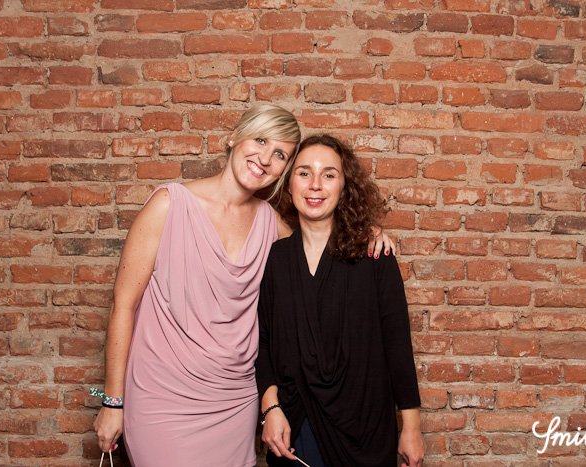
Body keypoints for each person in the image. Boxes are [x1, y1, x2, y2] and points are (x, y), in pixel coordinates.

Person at [92, 104, 393, 466]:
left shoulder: (270, 223)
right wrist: (113, 402)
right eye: (260, 140)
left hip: (236, 401)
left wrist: (366, 232)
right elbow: (123, 305)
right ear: (234, 137)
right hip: (163, 398)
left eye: (280, 154)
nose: (265, 159)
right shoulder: (169, 206)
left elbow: (320, 240)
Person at [256, 134, 425, 467]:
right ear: (289, 183)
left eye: (329, 174)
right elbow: (261, 342)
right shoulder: (275, 259)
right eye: (304, 173)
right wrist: (270, 408)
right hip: (294, 427)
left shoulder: (374, 255)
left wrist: (411, 427)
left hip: (365, 429)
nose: (315, 185)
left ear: (345, 187)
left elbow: (397, 345)